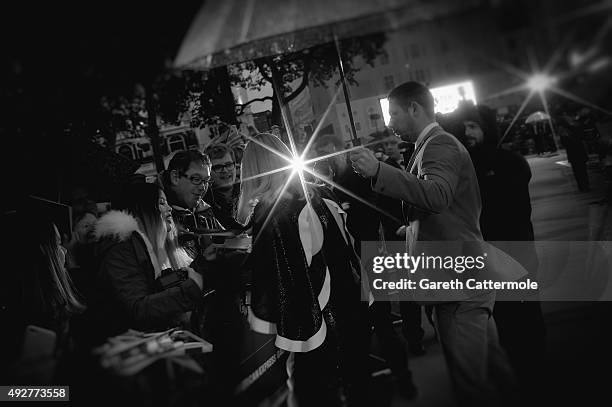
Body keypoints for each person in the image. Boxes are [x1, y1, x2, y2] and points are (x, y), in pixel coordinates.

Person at [350, 81, 515, 406]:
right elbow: (447, 209)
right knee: (493, 369)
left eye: (394, 114)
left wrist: (378, 171)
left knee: (470, 385)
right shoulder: (432, 146)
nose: (390, 123)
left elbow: (437, 195)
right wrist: (410, 231)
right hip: (465, 276)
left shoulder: (438, 145)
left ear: (415, 108)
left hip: (458, 285)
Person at [239, 133, 368, 406]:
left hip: (314, 312)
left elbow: (281, 272)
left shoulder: (274, 210)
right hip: (343, 300)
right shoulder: (314, 193)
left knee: (316, 389)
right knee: (349, 382)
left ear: (252, 170)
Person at [314, 133, 418, 398]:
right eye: (321, 155)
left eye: (330, 153)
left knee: (382, 323)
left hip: (372, 257)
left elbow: (377, 211)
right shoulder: (328, 184)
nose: (326, 159)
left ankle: (403, 377)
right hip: (350, 266)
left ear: (341, 151)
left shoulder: (358, 177)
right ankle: (369, 387)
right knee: (359, 330)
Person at [461, 104, 546, 398]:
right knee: (505, 333)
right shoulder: (467, 168)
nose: (467, 133)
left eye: (473, 126)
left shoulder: (509, 163)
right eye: (464, 127)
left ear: (487, 127)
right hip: (488, 267)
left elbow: (511, 215)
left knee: (528, 329)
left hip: (516, 261)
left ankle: (537, 384)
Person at [90, 182, 204, 342]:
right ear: (141, 208)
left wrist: (202, 265)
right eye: (161, 203)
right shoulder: (121, 249)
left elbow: (154, 285)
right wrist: (191, 289)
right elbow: (139, 309)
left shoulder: (139, 244)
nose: (169, 208)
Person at [161, 150, 223, 259]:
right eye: (196, 179)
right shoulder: (158, 217)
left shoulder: (205, 210)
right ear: (175, 177)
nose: (203, 187)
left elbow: (226, 239)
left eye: (207, 181)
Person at [203, 143, 244, 230]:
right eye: (218, 167)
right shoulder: (204, 204)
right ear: (208, 172)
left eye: (229, 165)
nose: (225, 170)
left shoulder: (248, 191)